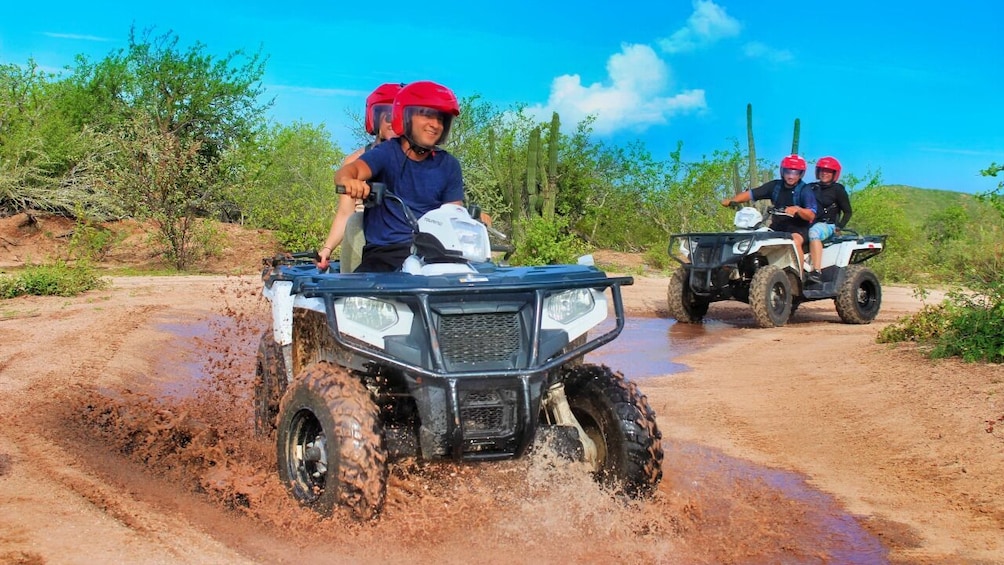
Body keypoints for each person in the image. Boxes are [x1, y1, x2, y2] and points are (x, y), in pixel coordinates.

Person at [332, 80, 464, 272]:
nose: (435, 124)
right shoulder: (386, 153)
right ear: (406, 116)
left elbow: (453, 215)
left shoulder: (449, 165)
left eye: (441, 118)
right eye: (427, 115)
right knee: (357, 297)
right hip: (386, 254)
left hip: (435, 255)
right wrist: (349, 181)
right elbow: (351, 170)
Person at [317, 83, 404, 270]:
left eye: (399, 116)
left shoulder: (420, 161)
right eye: (388, 116)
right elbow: (345, 213)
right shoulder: (356, 161)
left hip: (405, 235)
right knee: (356, 222)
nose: (393, 122)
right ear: (375, 119)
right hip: (367, 235)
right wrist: (327, 248)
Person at [721, 154, 818, 273]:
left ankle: (799, 277)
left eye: (795, 172)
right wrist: (733, 200)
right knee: (755, 239)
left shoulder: (805, 190)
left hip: (798, 228)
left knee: (794, 241)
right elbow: (752, 194)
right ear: (782, 171)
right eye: (788, 172)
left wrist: (798, 210)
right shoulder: (775, 186)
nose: (791, 176)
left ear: (801, 174)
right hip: (776, 227)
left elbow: (811, 214)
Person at [806, 156, 852, 284]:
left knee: (814, 232)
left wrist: (839, 227)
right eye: (822, 170)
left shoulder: (838, 189)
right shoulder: (810, 187)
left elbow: (848, 212)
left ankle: (816, 272)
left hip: (828, 225)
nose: (824, 173)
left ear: (834, 174)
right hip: (809, 223)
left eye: (828, 171)